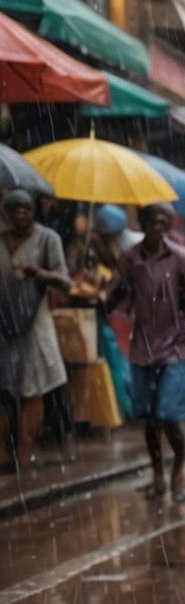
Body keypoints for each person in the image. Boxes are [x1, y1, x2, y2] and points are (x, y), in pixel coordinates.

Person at [104, 202, 185, 502]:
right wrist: (109, 293)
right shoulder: (130, 259)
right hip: (143, 347)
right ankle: (157, 475)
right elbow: (116, 295)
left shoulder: (183, 258)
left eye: (166, 222)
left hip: (176, 347)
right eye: (154, 222)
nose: (160, 228)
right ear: (144, 223)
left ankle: (177, 469)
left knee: (168, 415)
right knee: (149, 417)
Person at [0, 189, 72, 471]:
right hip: (2, 323)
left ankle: (24, 451)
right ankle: (3, 454)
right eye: (14, 209)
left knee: (33, 388)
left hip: (34, 323)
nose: (21, 215)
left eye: (26, 209)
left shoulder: (47, 239)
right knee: (3, 390)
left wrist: (38, 273)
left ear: (34, 211)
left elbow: (65, 282)